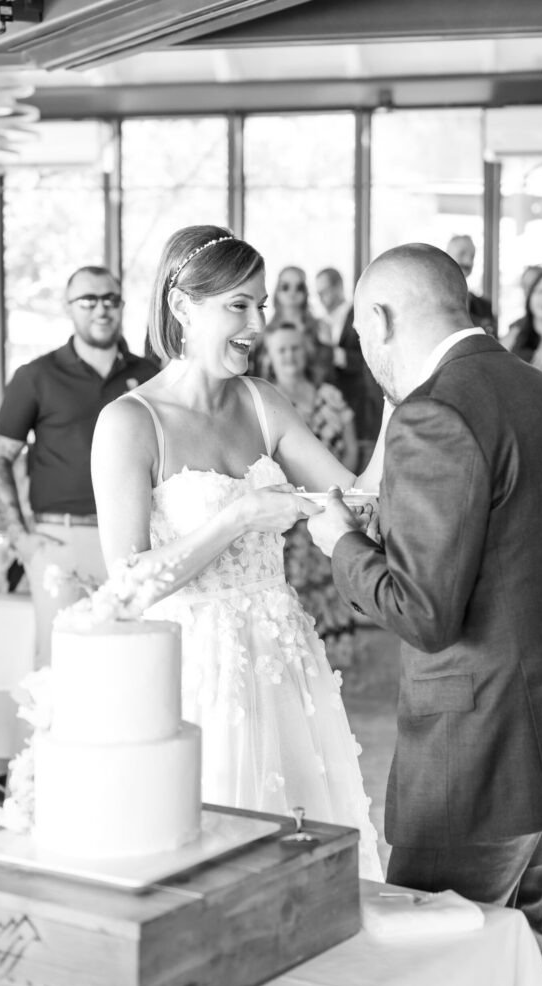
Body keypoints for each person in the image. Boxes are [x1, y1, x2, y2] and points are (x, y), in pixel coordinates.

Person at [308, 242, 542, 977]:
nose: (366, 355)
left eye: (364, 337)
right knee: (519, 948)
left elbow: (424, 612)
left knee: (436, 964)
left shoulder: (435, 414)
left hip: (478, 745)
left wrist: (340, 543)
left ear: (381, 317)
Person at [91, 225, 386, 880]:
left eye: (260, 303)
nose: (259, 321)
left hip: (282, 664)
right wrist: (242, 516)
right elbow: (129, 584)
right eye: (239, 305)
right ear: (182, 307)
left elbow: (358, 495)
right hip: (192, 673)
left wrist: (401, 392)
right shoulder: (129, 423)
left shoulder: (262, 401)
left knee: (304, 856)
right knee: (209, 866)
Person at [0, 265, 158, 668]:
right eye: (89, 300)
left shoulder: (147, 376)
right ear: (68, 308)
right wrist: (21, 536)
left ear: (121, 306)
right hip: (59, 541)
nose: (101, 309)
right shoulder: (36, 376)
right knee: (59, 665)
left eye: (110, 299)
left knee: (129, 663)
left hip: (134, 544)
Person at [264, 320, 358, 669]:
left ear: (305, 351)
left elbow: (348, 451)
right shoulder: (263, 402)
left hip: (330, 508)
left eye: (294, 347)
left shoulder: (329, 396)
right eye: (281, 349)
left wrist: (329, 496)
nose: (289, 355)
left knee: (331, 586)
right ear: (270, 356)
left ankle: (337, 674)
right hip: (286, 520)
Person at [316, 266, 384, 468]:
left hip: (362, 404)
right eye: (318, 293)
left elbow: (371, 357)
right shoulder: (320, 322)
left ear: (339, 287)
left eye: (325, 291)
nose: (321, 298)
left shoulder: (358, 313)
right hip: (337, 410)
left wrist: (333, 353)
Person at [252, 265, 330, 383]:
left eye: (299, 287)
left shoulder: (321, 327)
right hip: (274, 396)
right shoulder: (264, 333)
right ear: (277, 291)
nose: (292, 292)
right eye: (285, 287)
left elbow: (329, 370)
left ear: (305, 292)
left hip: (316, 396)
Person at [445, 234, 496, 335]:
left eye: (472, 256)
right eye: (462, 254)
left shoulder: (484, 306)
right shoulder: (434, 301)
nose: (468, 261)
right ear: (447, 256)